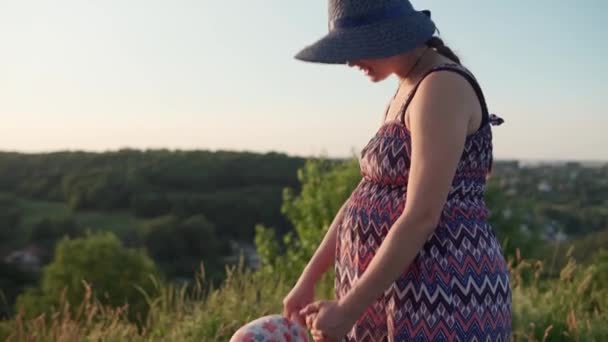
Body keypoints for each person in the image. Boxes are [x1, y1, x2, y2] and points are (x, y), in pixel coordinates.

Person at [282, 0, 512, 341]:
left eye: (354, 46)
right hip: (391, 290)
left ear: (387, 35)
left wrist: (349, 309)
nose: (348, 60)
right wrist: (310, 276)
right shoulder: (408, 86)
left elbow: (421, 216)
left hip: (439, 295)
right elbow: (364, 193)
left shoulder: (441, 86)